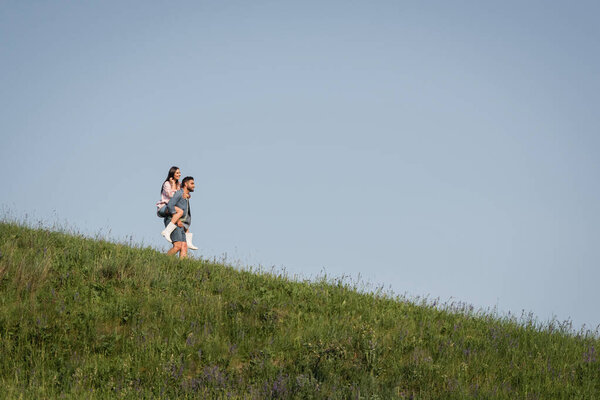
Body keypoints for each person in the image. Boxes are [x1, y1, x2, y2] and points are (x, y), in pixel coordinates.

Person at [157, 166, 198, 250]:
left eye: (179, 173)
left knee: (184, 224)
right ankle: (167, 231)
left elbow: (182, 193)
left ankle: (189, 242)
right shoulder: (167, 183)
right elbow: (172, 196)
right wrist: (172, 185)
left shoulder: (178, 184)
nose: (179, 174)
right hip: (164, 207)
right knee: (180, 211)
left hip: (171, 207)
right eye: (177, 173)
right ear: (172, 174)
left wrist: (187, 195)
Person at [164, 176, 195, 258]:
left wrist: (185, 226)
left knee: (184, 247)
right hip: (173, 221)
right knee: (177, 246)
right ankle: (163, 260)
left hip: (181, 224)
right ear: (185, 184)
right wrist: (177, 220)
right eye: (192, 183)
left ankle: (182, 267)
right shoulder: (179, 193)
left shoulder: (186, 196)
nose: (194, 185)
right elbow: (170, 205)